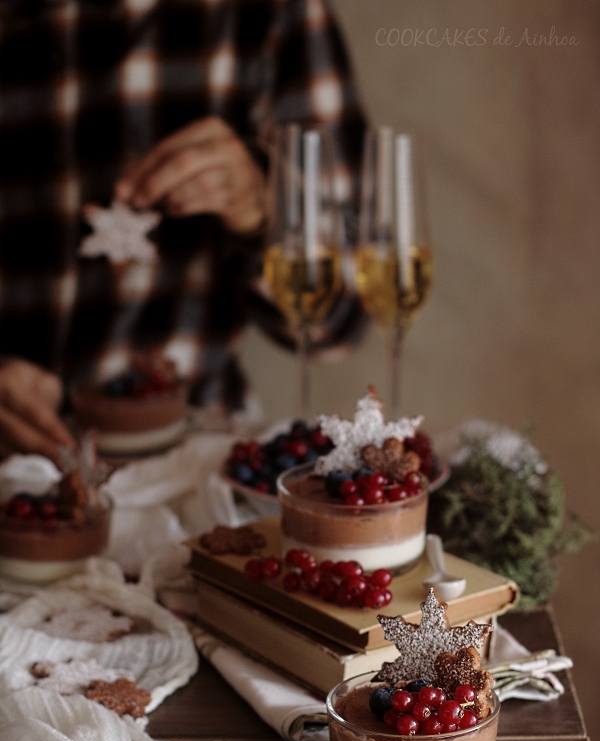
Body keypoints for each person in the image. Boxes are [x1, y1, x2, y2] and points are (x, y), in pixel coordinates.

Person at [0, 0, 366, 463]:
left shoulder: (271, 14)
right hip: (17, 481)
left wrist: (263, 208)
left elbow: (346, 317)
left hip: (196, 467)